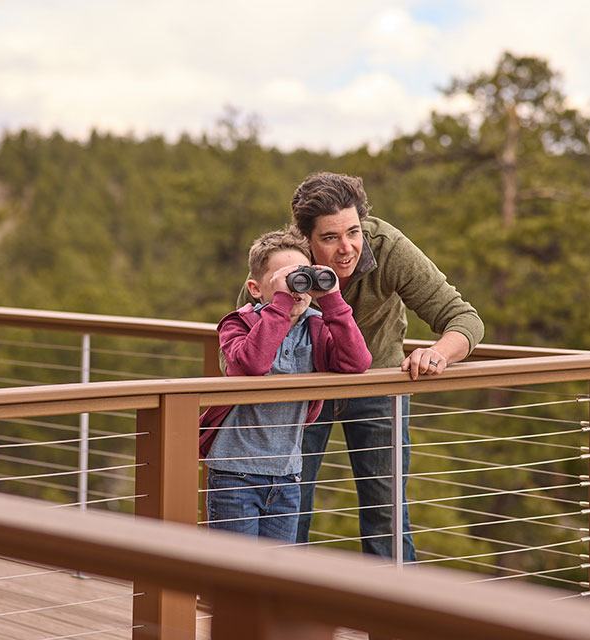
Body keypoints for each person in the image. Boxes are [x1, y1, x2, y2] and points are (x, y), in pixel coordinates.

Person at [236, 172, 484, 560]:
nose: (347, 247)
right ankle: (281, 611)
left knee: (385, 512)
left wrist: (437, 353)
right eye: (330, 238)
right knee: (290, 506)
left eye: (353, 231)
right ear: (306, 240)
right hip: (303, 391)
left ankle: (393, 615)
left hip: (377, 383)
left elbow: (464, 320)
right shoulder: (283, 263)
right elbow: (238, 350)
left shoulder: (387, 247)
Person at [201, 228, 372, 542]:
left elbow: (357, 362)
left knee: (274, 581)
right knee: (234, 577)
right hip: (235, 473)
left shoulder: (316, 327)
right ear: (255, 288)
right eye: (285, 279)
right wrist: (279, 305)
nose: (296, 289)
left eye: (303, 278)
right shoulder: (238, 323)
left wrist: (332, 300)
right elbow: (252, 364)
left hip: (288, 474)